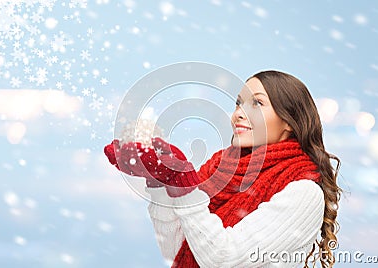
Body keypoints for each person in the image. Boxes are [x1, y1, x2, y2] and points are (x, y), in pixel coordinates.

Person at [104, 70, 342, 267]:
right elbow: (177, 251)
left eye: (257, 103)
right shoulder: (220, 171)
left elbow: (224, 258)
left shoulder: (302, 192)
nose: (238, 113)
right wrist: (161, 184)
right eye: (238, 103)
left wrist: (184, 187)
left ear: (289, 122)